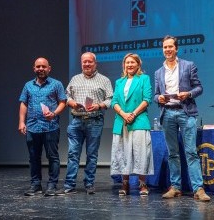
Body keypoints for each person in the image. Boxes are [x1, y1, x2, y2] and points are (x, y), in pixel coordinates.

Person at [154, 35, 211, 202]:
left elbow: (199, 87)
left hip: (186, 112)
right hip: (168, 113)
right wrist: (159, 99)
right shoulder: (159, 72)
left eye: (170, 46)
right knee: (173, 153)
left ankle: (198, 189)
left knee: (191, 152)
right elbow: (156, 94)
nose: (168, 49)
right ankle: (176, 187)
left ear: (176, 48)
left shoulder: (188, 65)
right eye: (165, 47)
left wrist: (188, 94)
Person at [55, 52, 113, 195]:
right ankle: (69, 185)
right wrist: (72, 103)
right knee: (72, 154)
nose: (87, 64)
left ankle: (89, 184)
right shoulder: (75, 79)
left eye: (89, 62)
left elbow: (111, 99)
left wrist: (99, 106)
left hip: (95, 121)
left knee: (92, 155)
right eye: (84, 62)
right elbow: (66, 96)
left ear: (95, 63)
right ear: (81, 63)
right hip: (76, 121)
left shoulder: (104, 80)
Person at [18, 57, 67, 197]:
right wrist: (21, 122)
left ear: (49, 68)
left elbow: (62, 102)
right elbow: (23, 103)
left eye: (43, 66)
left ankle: (52, 185)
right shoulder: (28, 85)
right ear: (34, 68)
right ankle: (35, 185)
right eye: (38, 66)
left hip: (50, 126)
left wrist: (54, 113)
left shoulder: (56, 84)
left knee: (53, 157)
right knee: (33, 157)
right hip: (32, 127)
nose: (41, 69)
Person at [110, 53, 154, 197]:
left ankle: (142, 184)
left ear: (138, 64)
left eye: (132, 62)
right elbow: (114, 101)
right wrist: (123, 114)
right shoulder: (119, 82)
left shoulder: (144, 79)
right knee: (122, 153)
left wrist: (133, 114)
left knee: (141, 152)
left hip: (139, 120)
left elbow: (147, 99)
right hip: (121, 121)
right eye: (127, 62)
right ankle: (125, 183)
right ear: (124, 65)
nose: (129, 65)